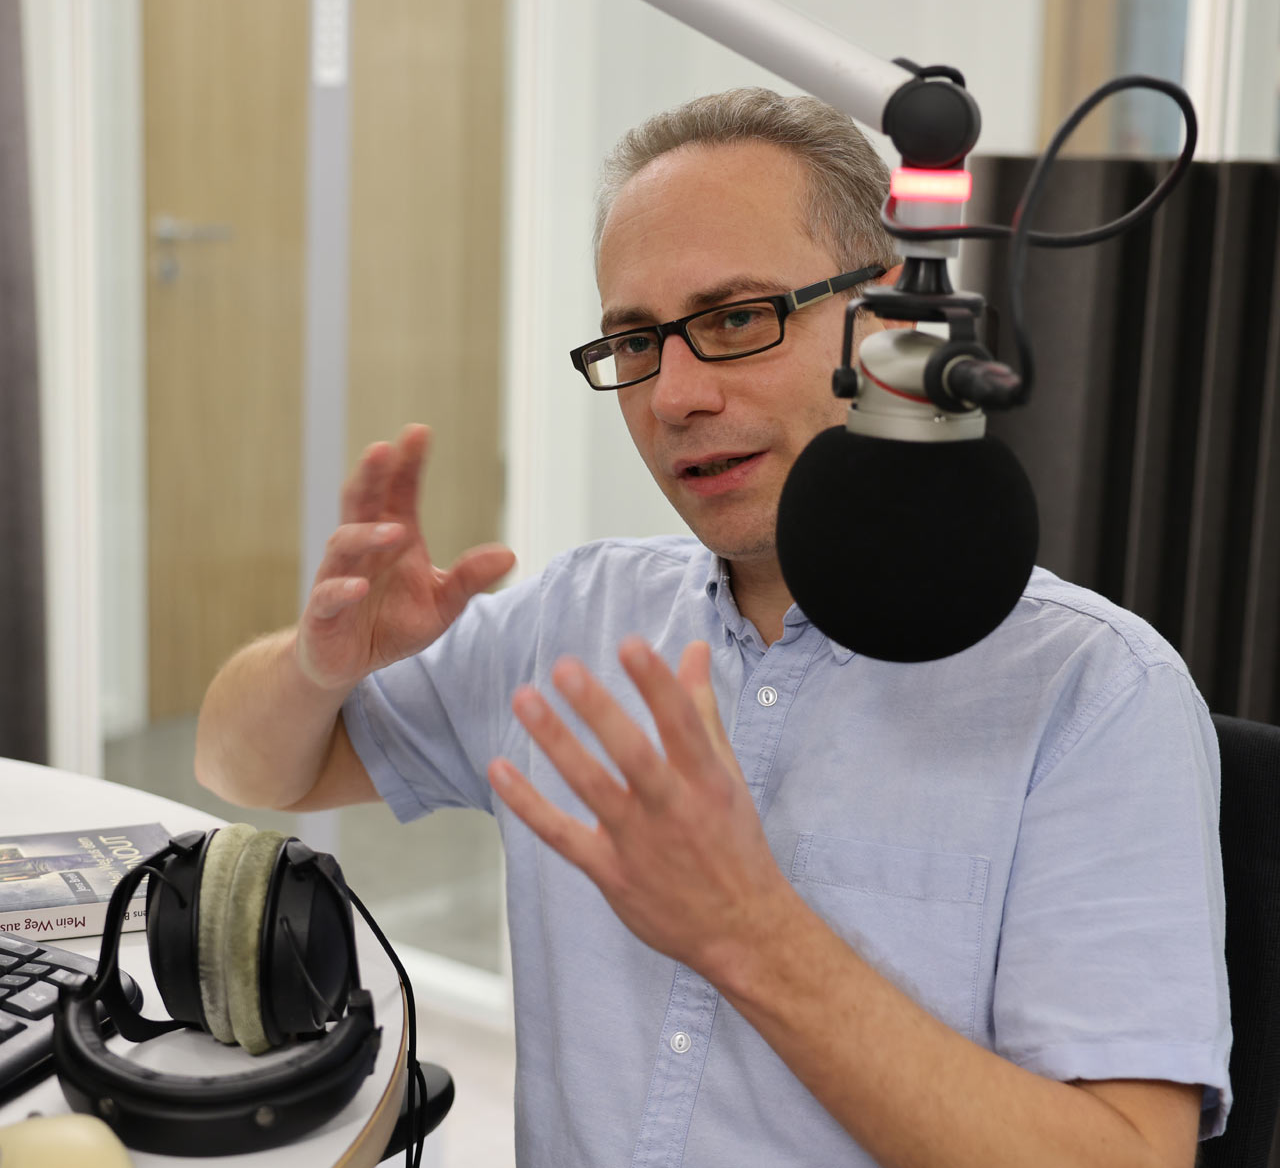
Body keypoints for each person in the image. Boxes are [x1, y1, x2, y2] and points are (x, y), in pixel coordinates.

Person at [196, 88, 1231, 1167]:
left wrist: (748, 932)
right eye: (633, 341)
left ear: (887, 321)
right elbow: (247, 762)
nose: (673, 394)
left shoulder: (1091, 689)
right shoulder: (576, 617)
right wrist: (319, 666)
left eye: (734, 319)